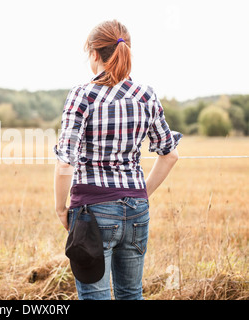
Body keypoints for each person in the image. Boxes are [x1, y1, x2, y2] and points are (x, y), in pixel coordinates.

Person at [53, 19, 182, 300]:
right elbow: (169, 155)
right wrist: (139, 194)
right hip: (137, 209)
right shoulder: (146, 96)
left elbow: (65, 163)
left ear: (94, 54)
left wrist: (60, 208)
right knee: (131, 294)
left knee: (95, 295)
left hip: (92, 212)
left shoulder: (83, 95)